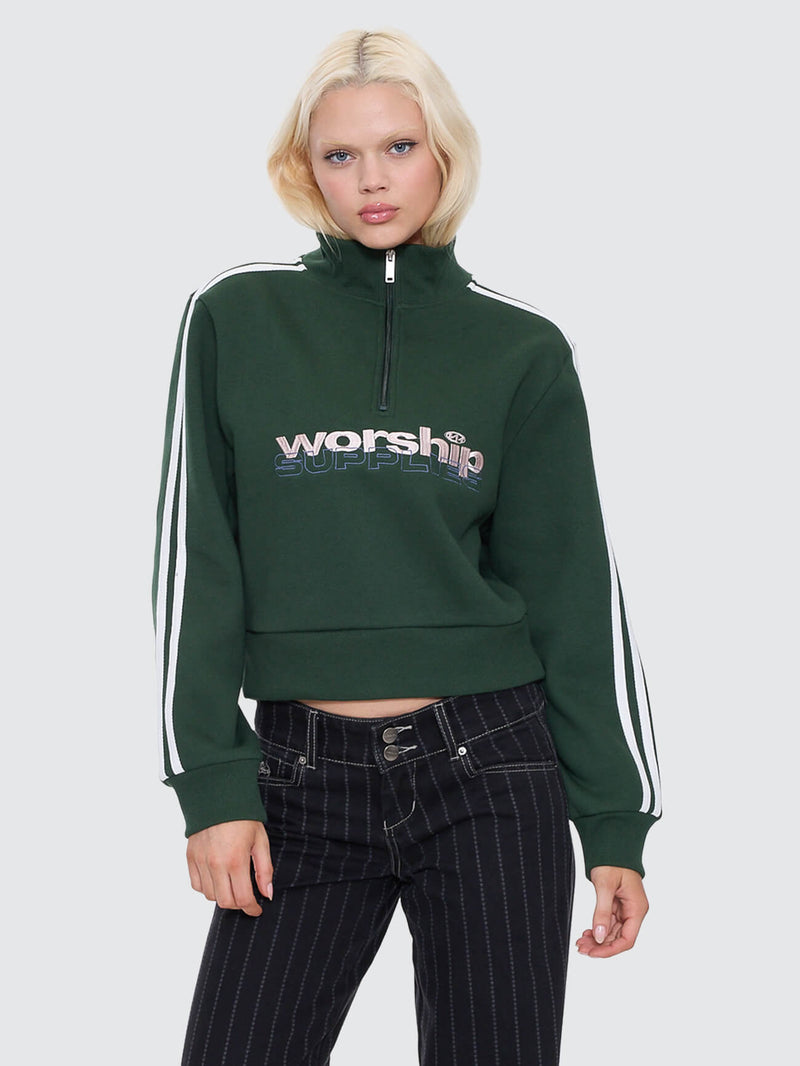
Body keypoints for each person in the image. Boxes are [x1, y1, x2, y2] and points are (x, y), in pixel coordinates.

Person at [152, 26, 661, 1066]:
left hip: (493, 767)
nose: (372, 180)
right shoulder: (235, 316)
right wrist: (211, 781)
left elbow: (573, 594)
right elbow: (194, 561)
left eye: (399, 147)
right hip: (297, 775)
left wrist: (615, 819)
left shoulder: (521, 348)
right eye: (340, 155)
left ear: (445, 153)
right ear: (306, 169)